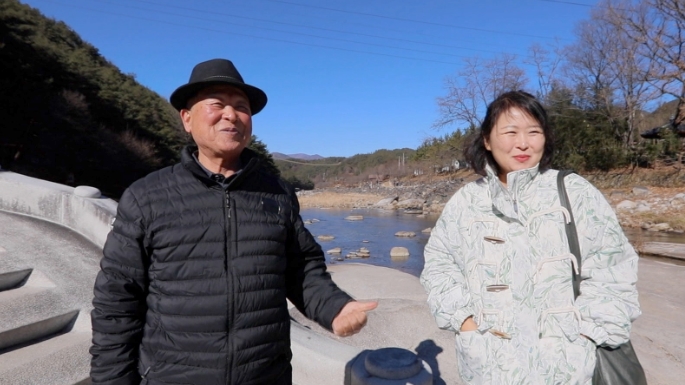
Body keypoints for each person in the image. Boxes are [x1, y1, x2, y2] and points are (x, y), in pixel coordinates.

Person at [90, 58, 378, 385]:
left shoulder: (277, 194)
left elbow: (300, 267)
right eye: (217, 104)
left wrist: (333, 307)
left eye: (242, 107)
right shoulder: (148, 197)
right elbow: (116, 301)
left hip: (265, 375)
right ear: (187, 118)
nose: (232, 115)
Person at [420, 90, 640, 384]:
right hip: (489, 366)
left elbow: (613, 266)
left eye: (533, 132)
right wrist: (465, 322)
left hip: (567, 367)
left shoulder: (575, 192)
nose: (522, 143)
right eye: (510, 132)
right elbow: (439, 262)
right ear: (487, 140)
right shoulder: (467, 201)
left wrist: (589, 333)